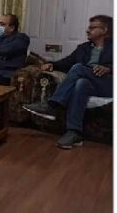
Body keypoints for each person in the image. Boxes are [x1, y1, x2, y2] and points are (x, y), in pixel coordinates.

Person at [22, 15, 113, 149]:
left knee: (78, 68)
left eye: (92, 28)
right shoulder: (83, 48)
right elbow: (66, 62)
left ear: (104, 30)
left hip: (108, 84)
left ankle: (52, 105)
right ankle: (74, 132)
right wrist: (52, 64)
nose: (87, 30)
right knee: (81, 83)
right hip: (89, 83)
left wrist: (109, 68)